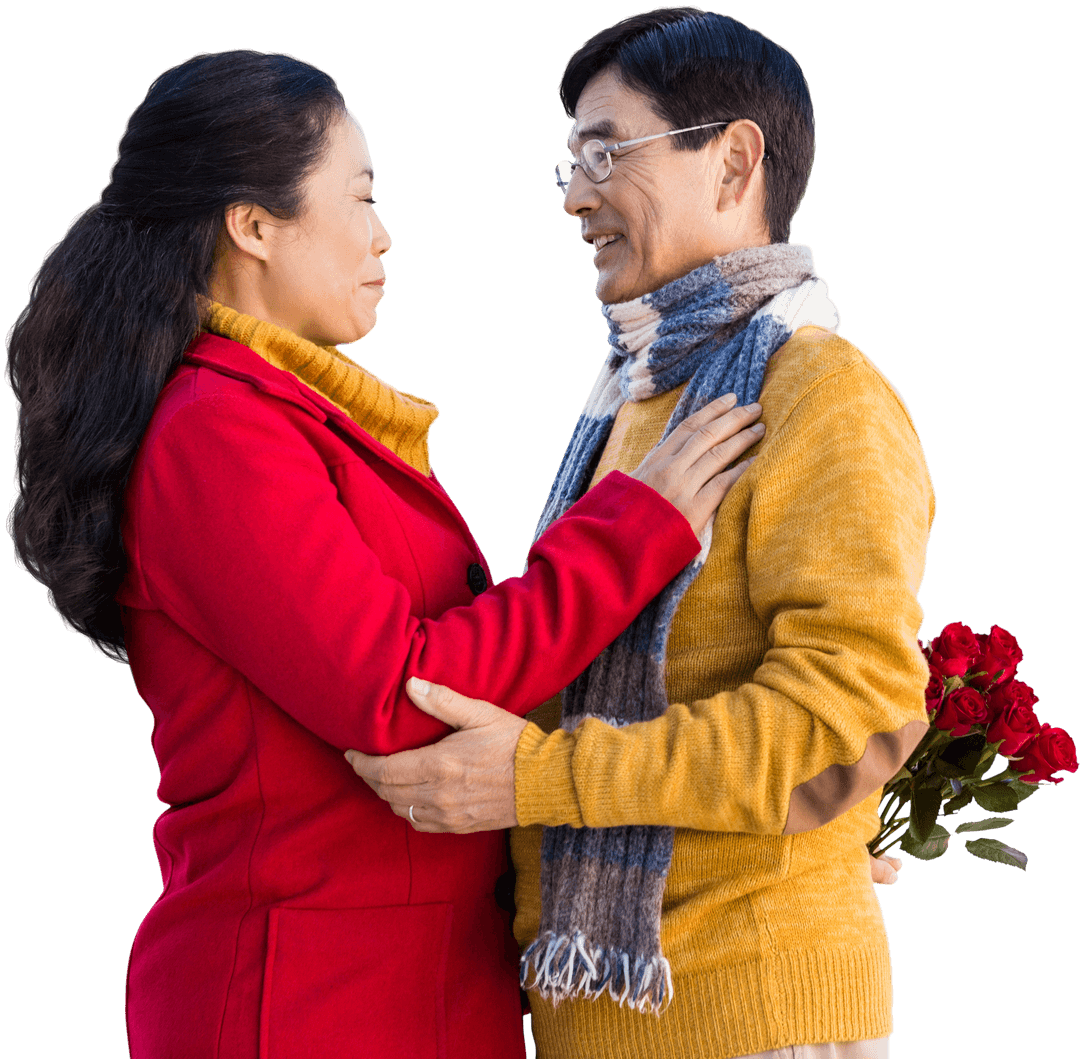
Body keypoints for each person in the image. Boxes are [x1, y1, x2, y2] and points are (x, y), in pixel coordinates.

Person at [3, 48, 771, 1059]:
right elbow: (403, 691)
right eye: (360, 198)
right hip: (304, 1003)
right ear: (254, 223)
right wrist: (638, 526)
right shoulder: (213, 432)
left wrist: (774, 825)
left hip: (419, 988)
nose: (384, 234)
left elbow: (496, 693)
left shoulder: (301, 422)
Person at [348, 8, 932, 1059]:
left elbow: (848, 718)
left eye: (607, 152)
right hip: (600, 1015)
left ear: (734, 160)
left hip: (751, 1012)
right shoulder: (631, 405)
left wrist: (536, 777)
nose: (576, 194)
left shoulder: (821, 394)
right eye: (568, 162)